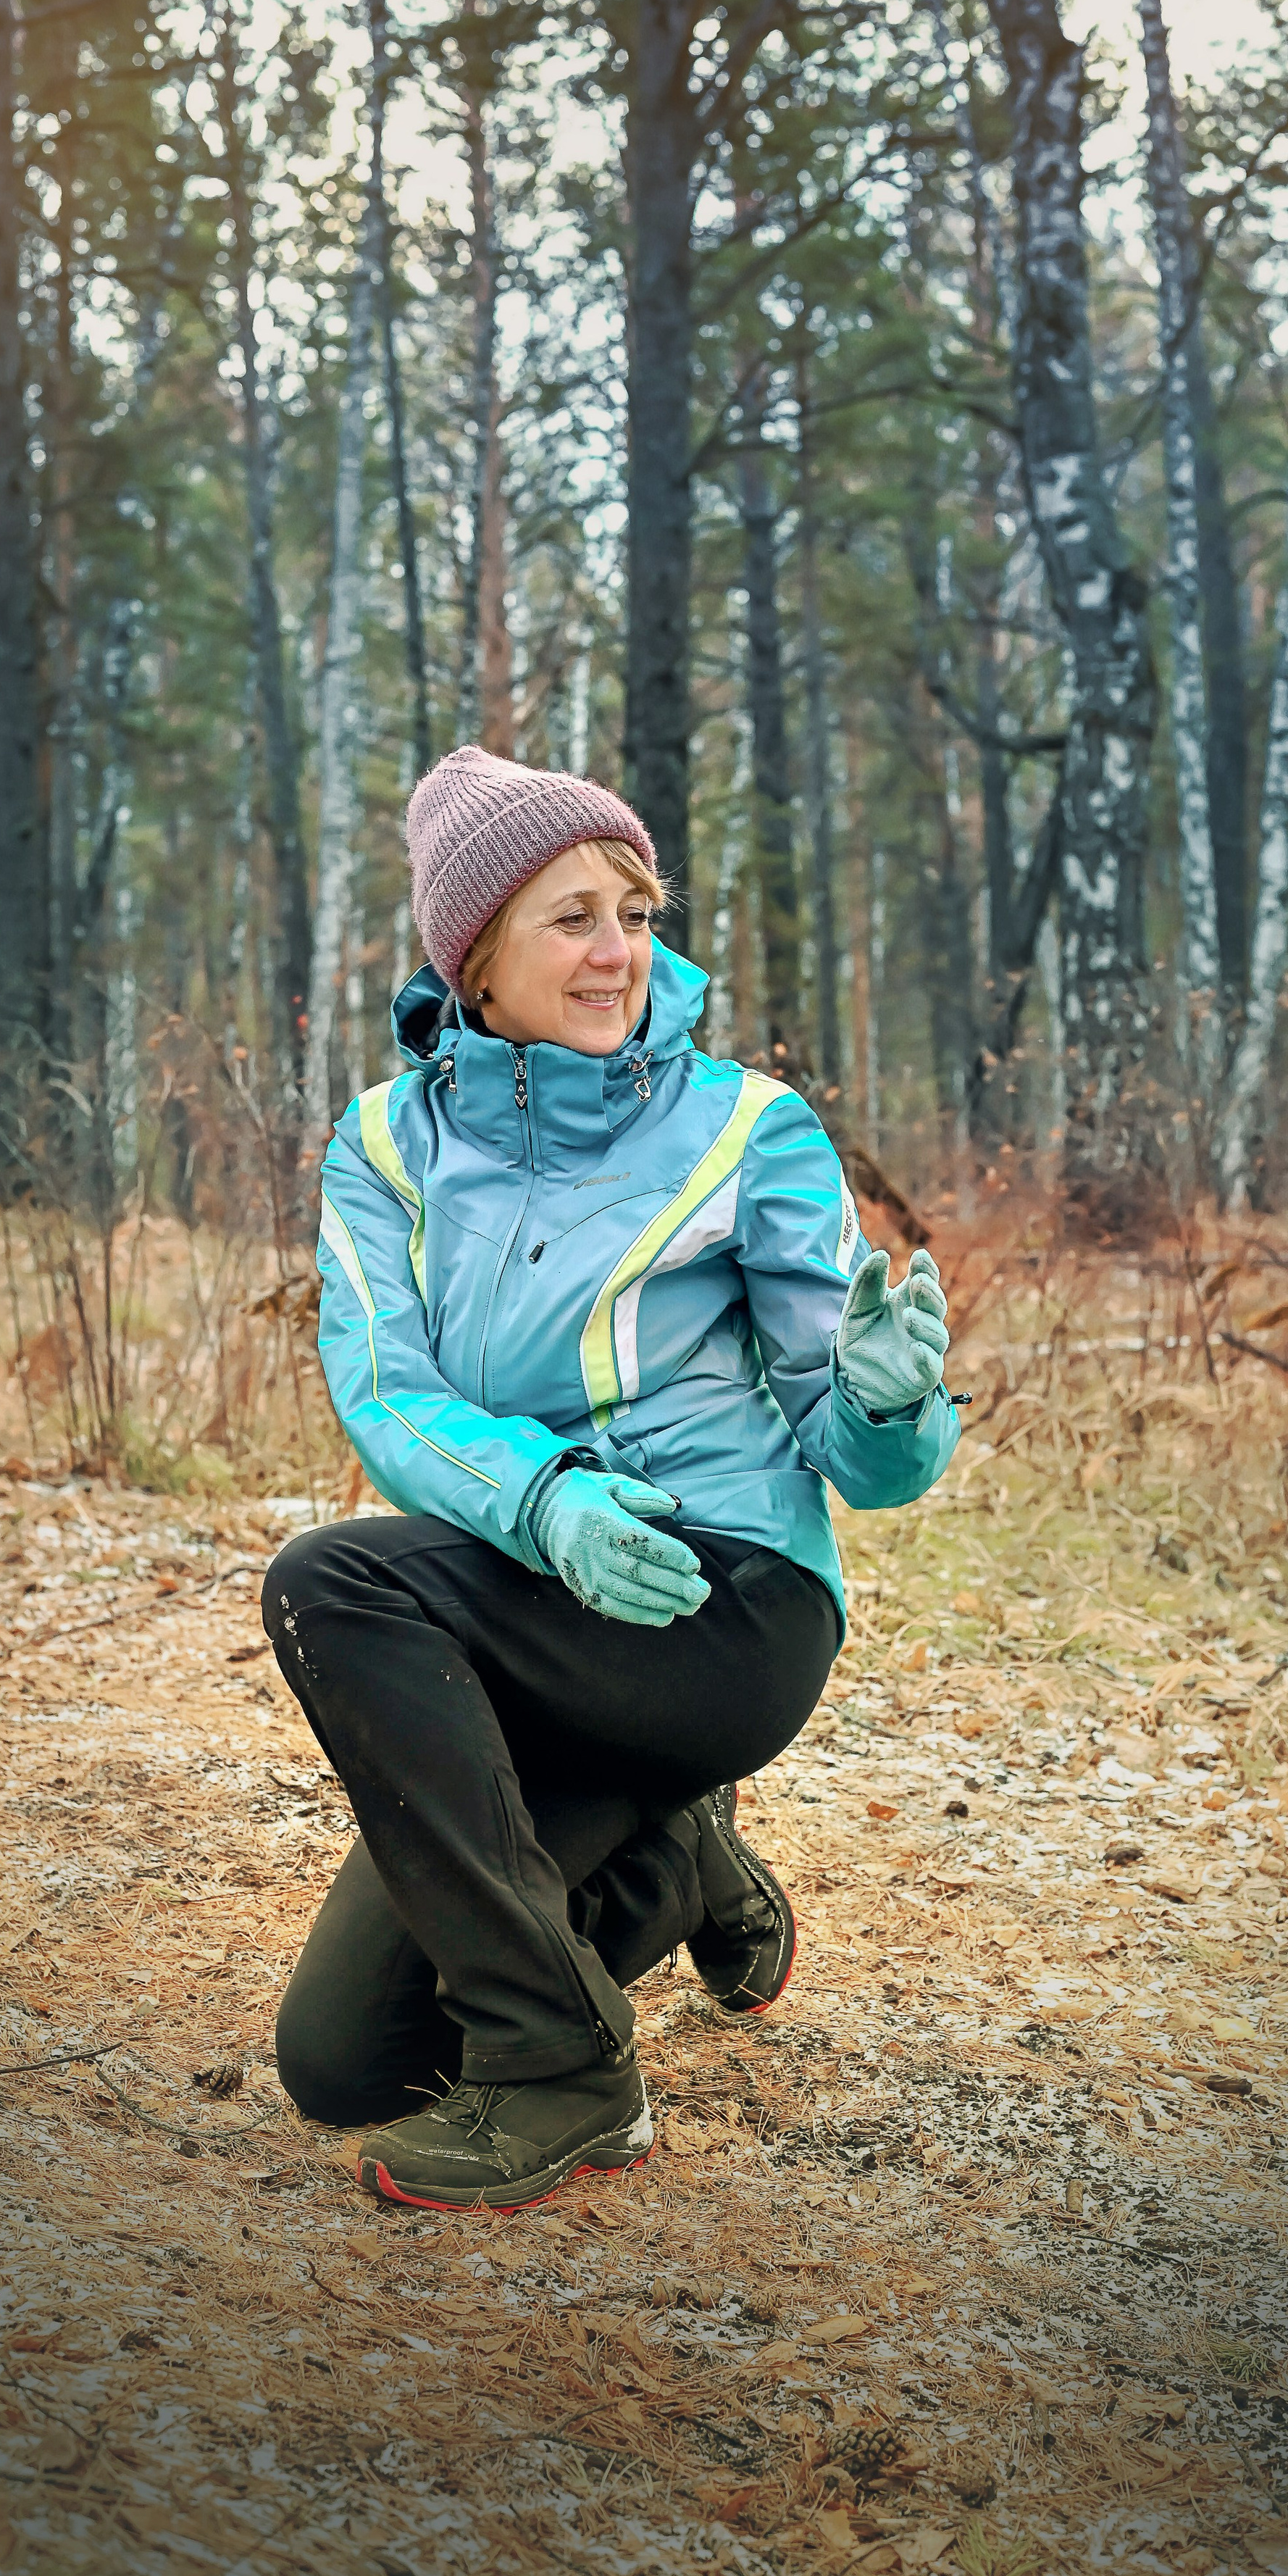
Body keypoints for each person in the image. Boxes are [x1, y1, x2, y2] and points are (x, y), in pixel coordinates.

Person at [264, 746, 958, 2212]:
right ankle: (686, 1858)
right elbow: (387, 1391)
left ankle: (565, 2073)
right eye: (572, 917)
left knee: (332, 1580)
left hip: (720, 1607)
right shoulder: (383, 1148)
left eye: (633, 915)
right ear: (477, 956)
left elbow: (855, 1447)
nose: (616, 953)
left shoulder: (744, 1127)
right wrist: (544, 1500)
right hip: (536, 1602)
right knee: (349, 2061)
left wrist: (889, 1407)